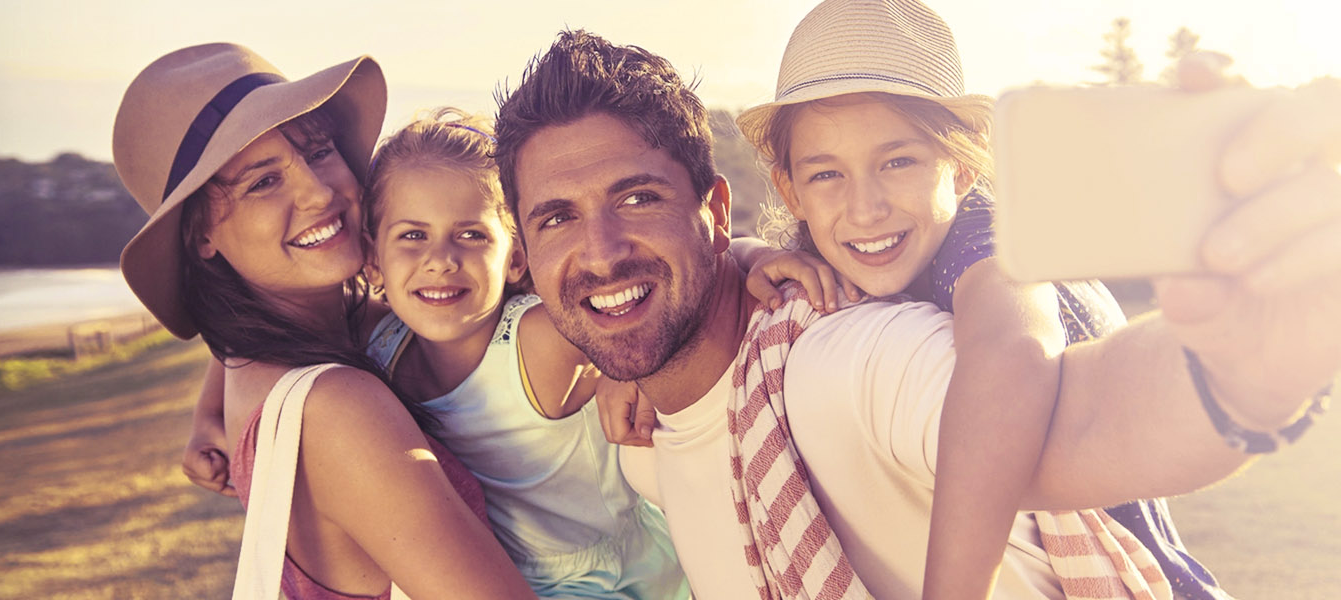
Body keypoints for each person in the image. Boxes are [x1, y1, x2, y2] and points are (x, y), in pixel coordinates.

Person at [494, 20, 1341, 600]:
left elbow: (1069, 414)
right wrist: (628, 350)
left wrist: (1243, 375)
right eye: (557, 216)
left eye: (636, 198)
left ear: (716, 210)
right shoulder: (647, 444)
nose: (600, 250)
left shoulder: (851, 357)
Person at [721, 1, 1226, 597]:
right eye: (826, 175)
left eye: (899, 161)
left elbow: (1012, 353)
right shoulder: (831, 260)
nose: (865, 208)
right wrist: (746, 255)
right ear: (790, 189)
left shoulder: (990, 242)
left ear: (960, 166)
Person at [112, 43, 532, 599]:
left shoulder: (268, 361)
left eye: (317, 152)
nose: (319, 193)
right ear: (200, 236)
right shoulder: (337, 408)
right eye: (262, 182)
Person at [354, 108, 689, 598]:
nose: (441, 260)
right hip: (485, 576)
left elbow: (670, 292)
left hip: (609, 582)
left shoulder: (537, 340)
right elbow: (274, 316)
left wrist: (754, 255)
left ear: (515, 258)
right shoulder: (381, 346)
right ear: (372, 262)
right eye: (413, 235)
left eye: (471, 235)